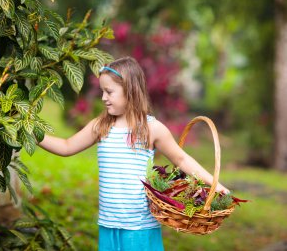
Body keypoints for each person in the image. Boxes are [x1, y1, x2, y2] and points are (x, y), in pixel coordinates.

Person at [38, 56, 229, 251]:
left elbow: (181, 158)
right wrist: (31, 133)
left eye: (109, 92)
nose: (103, 98)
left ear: (130, 91)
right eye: (102, 91)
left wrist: (216, 185)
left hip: (139, 227)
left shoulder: (151, 128)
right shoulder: (101, 126)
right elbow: (66, 146)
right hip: (108, 223)